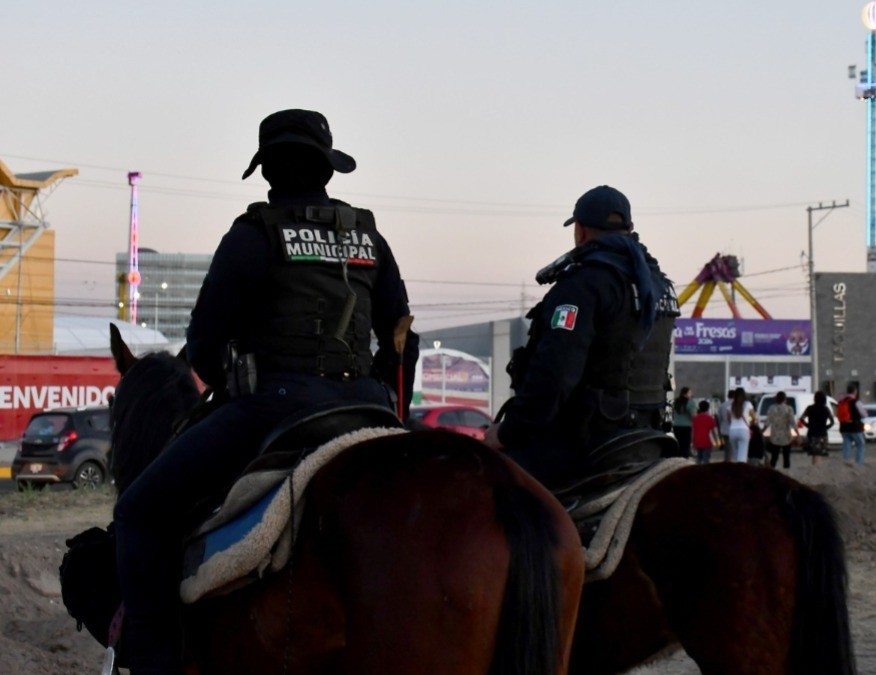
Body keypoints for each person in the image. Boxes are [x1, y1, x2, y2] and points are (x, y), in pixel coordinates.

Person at [114, 109, 414, 675]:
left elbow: (202, 344)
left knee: (138, 515)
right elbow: (401, 335)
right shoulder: (370, 237)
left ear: (269, 171)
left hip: (275, 409)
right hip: (369, 408)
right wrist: (390, 408)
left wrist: (235, 387)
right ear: (328, 170)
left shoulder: (254, 235)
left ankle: (153, 664)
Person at [482, 185, 678, 487]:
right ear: (630, 228)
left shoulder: (584, 284)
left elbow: (555, 375)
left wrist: (509, 432)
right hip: (650, 438)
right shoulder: (658, 284)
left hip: (587, 443)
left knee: (486, 486)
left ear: (581, 231)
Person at [800, 391, 834, 465]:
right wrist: (825, 427)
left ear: (815, 399)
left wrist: (808, 425)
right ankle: (817, 469)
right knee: (819, 454)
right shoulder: (826, 409)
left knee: (814, 454)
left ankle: (815, 468)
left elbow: (801, 419)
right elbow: (832, 422)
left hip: (812, 434)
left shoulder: (810, 408)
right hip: (822, 434)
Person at [765, 391, 797, 469]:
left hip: (775, 437)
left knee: (774, 457)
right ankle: (786, 472)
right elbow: (792, 423)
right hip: (786, 437)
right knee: (786, 457)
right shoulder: (789, 409)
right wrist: (798, 434)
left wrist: (761, 431)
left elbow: (767, 422)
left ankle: (771, 472)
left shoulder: (772, 408)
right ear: (785, 399)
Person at [838, 385, 868, 465]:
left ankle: (845, 462)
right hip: (855, 427)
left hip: (843, 427)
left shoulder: (841, 401)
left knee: (847, 445)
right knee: (860, 444)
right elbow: (864, 414)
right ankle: (858, 463)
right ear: (855, 391)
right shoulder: (856, 401)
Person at [726, 387, 755, 463]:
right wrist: (750, 423)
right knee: (742, 457)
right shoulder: (748, 404)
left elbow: (729, 419)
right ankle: (741, 472)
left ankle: (735, 471)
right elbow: (753, 417)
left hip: (732, 431)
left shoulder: (730, 406)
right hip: (744, 430)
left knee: (735, 456)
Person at [671, 387, 698, 457]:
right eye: (689, 393)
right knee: (685, 446)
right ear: (684, 394)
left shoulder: (675, 402)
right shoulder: (690, 403)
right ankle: (684, 460)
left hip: (675, 426)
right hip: (686, 426)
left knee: (678, 445)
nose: (691, 395)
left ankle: (677, 459)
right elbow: (694, 416)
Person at [691, 400, 719, 464]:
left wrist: (692, 442)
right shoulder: (710, 418)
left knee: (698, 458)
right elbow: (714, 432)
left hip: (697, 441)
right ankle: (705, 472)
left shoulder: (695, 418)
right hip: (707, 441)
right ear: (708, 408)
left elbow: (693, 431)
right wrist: (717, 441)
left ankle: (697, 471)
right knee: (706, 459)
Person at [717, 389, 734, 461]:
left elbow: (719, 418)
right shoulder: (738, 404)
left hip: (725, 429)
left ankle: (727, 461)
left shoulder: (722, 405)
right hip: (735, 429)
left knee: (727, 448)